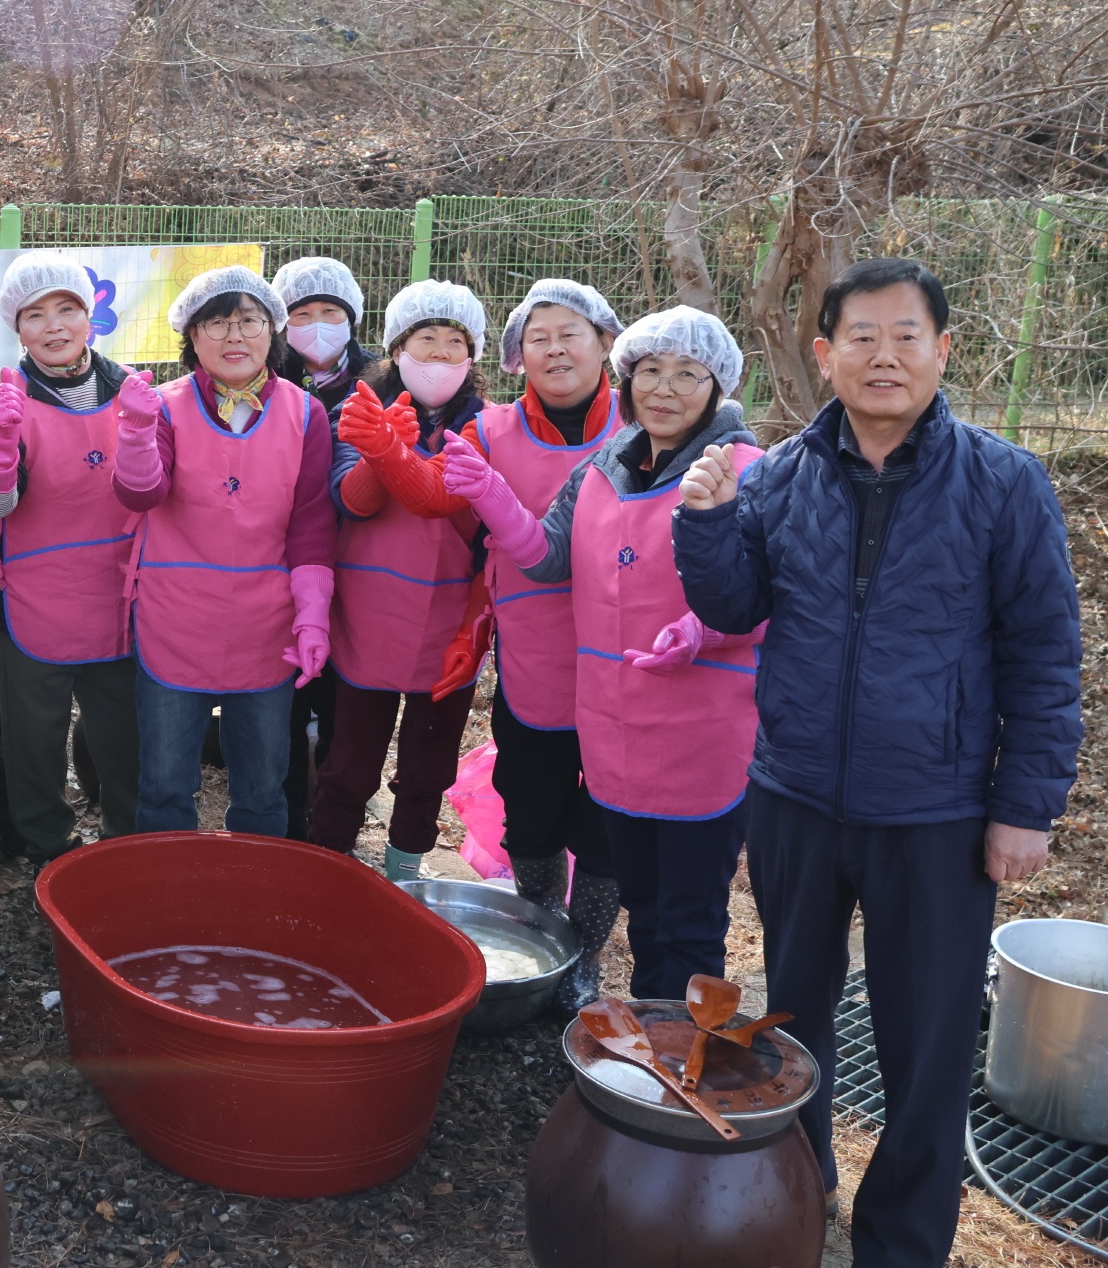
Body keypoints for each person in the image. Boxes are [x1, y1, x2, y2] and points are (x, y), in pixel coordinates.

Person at [672, 258, 1081, 1267]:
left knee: (927, 1043)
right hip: (796, 796)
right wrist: (707, 521)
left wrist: (1024, 805)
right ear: (825, 354)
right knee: (793, 1023)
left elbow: (1043, 654)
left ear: (945, 351)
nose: (884, 356)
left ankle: (900, 1245)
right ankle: (795, 1207)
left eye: (907, 336)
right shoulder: (788, 474)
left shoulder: (1004, 482)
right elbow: (733, 608)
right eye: (861, 336)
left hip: (935, 811)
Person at [441, 306, 764, 1001]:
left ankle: (680, 1060)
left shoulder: (751, 472)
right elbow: (549, 557)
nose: (664, 389)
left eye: (687, 373)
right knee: (646, 908)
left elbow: (779, 591)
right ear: (627, 378)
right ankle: (654, 1044)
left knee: (689, 916)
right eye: (649, 370)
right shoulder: (604, 465)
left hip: (701, 739)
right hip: (615, 732)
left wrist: (705, 632)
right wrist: (492, 496)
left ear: (719, 385)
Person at [389, 279, 627, 1009]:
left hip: (626, 662)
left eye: (570, 334)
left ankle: (584, 951)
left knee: (610, 813)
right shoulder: (490, 430)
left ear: (606, 343)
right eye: (538, 337)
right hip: (533, 655)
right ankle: (540, 928)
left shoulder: (642, 421)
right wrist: (387, 452)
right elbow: (441, 504)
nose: (554, 349)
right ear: (518, 356)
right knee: (531, 807)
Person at [115, 265, 336, 837]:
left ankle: (252, 902)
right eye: (217, 323)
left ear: (272, 332)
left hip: (267, 626)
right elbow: (141, 493)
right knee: (164, 783)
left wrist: (313, 617)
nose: (234, 336)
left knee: (263, 787)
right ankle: (166, 901)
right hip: (174, 619)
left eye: (249, 321)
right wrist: (136, 435)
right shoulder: (162, 406)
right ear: (192, 337)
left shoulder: (305, 413)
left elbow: (311, 522)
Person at [0, 251, 140, 865]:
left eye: (68, 308)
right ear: (18, 329)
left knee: (125, 737)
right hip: (34, 599)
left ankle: (128, 843)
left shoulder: (133, 392)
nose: (54, 326)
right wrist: (2, 444)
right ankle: (48, 848)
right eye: (35, 315)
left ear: (91, 317)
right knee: (34, 741)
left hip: (121, 598)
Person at [305, 280, 487, 882]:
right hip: (367, 617)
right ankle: (328, 862)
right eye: (424, 340)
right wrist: (383, 450)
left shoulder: (491, 428)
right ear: (397, 349)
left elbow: (470, 513)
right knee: (349, 759)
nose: (437, 356)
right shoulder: (356, 412)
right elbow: (351, 504)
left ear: (473, 356)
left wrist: (400, 458)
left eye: (453, 343)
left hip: (450, 619)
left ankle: (406, 870)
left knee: (429, 762)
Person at [270, 257, 373, 839]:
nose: (316, 325)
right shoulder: (266, 377)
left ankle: (336, 828)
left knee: (343, 699)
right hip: (286, 561)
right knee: (281, 697)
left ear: (351, 318)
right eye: (300, 314)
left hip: (359, 565)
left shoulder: (381, 382)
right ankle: (285, 817)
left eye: (329, 312)